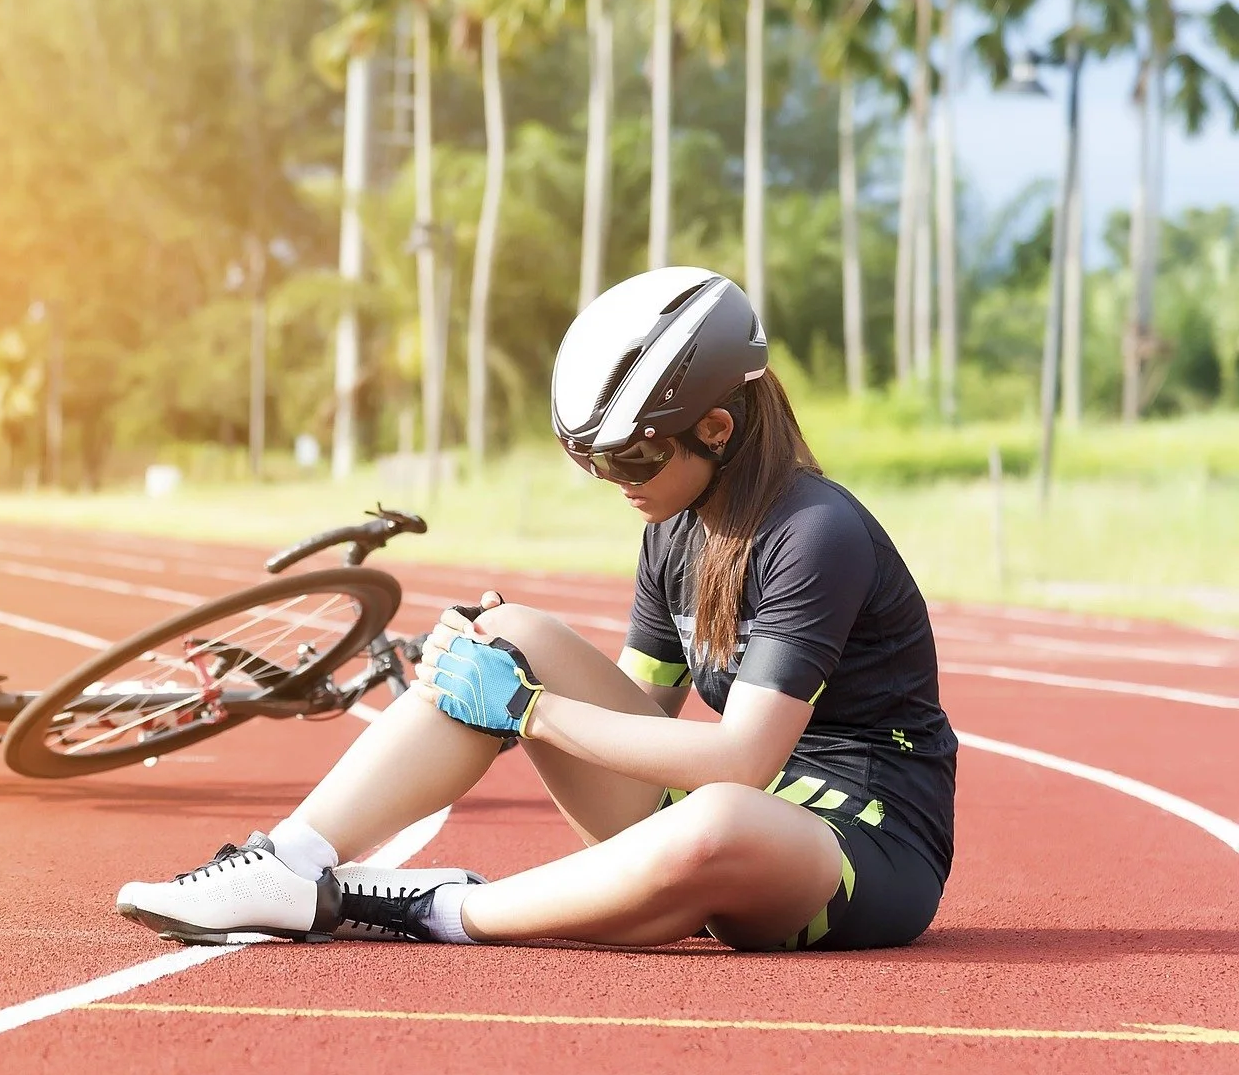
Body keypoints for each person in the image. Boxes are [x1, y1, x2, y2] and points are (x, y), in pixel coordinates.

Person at [116, 266, 954, 952]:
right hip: (719, 814)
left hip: (860, 850)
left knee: (719, 819)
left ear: (717, 428)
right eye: (592, 463)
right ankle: (288, 865)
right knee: (509, 633)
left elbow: (739, 760)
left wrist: (528, 712)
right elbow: (634, 724)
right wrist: (490, 678)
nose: (615, 483)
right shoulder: (674, 524)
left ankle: (438, 910)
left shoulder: (816, 533)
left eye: (632, 458)